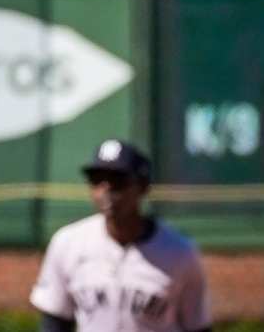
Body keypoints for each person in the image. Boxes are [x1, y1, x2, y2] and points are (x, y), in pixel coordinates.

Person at [30, 139, 211, 332]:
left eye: (118, 181)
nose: (106, 190)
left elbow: (197, 326)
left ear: (143, 186)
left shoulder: (179, 252)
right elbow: (55, 322)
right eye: (96, 180)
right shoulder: (67, 243)